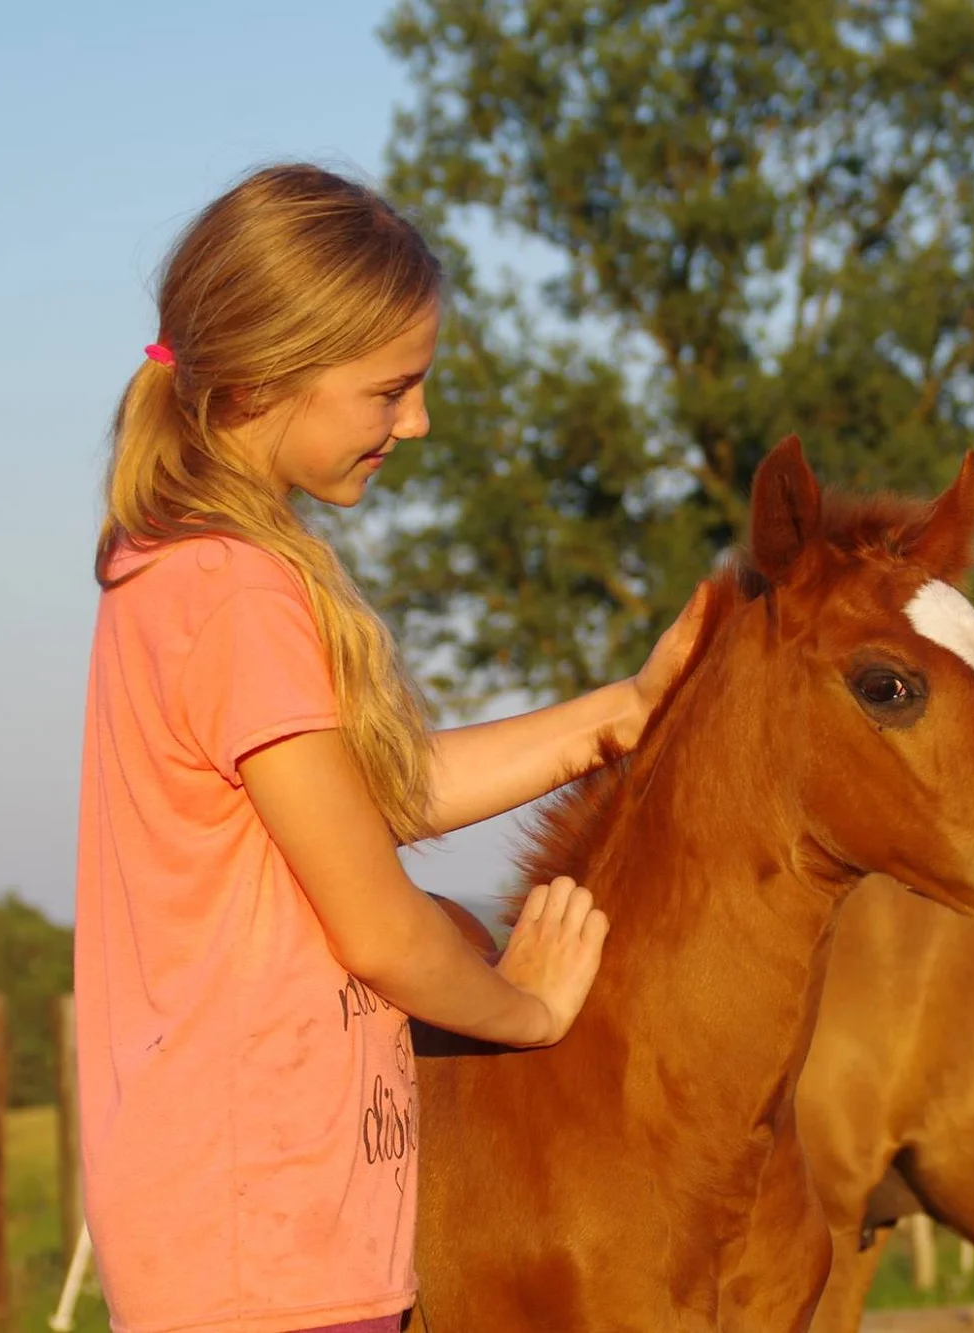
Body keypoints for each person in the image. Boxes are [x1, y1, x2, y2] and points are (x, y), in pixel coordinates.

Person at [74, 163, 705, 1333]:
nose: (414, 421)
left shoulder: (177, 568)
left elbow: (381, 797)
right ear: (269, 375)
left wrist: (623, 709)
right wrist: (526, 1006)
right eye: (391, 389)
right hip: (261, 1244)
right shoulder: (235, 593)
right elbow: (380, 924)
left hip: (255, 1231)